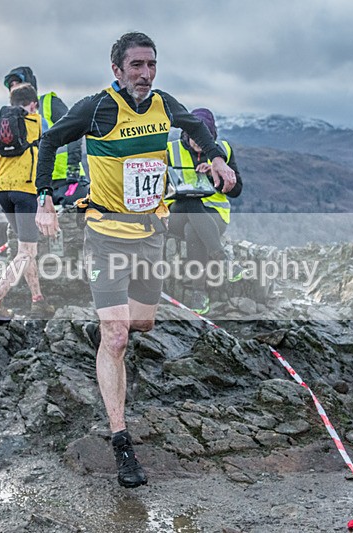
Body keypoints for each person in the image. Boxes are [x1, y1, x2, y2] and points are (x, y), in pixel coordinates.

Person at [35, 32, 237, 488]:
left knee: (142, 324)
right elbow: (49, 141)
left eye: (151, 65)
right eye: (136, 66)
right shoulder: (97, 108)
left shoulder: (165, 103)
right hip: (106, 236)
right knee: (118, 336)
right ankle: (121, 442)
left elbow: (198, 129)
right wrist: (44, 197)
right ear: (117, 70)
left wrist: (219, 160)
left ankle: (106, 329)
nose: (145, 74)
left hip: (151, 234)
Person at [0, 82, 55, 320]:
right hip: (26, 192)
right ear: (33, 104)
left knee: (26, 249)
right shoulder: (38, 122)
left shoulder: (0, 127)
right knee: (26, 252)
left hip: (3, 191)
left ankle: (37, 300)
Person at [166, 107, 243, 314]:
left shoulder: (223, 151)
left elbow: (236, 190)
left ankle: (198, 293)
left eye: (203, 139)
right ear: (186, 134)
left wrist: (213, 176)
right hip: (177, 213)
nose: (198, 144)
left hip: (214, 215)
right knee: (191, 203)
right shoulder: (171, 150)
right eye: (194, 138)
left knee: (194, 230)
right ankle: (221, 257)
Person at [4, 66, 88, 205]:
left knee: (72, 225)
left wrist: (73, 168)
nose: (14, 87)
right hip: (38, 187)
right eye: (11, 85)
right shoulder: (11, 120)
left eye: (18, 82)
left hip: (66, 182)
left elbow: (75, 132)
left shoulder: (48, 103)